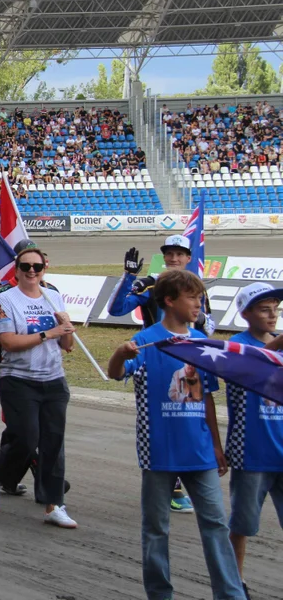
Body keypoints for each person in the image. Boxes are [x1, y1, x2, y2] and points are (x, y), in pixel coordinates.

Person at [107, 270, 244, 600]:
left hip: (200, 453)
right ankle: (160, 593)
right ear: (169, 301)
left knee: (216, 526)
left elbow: (208, 396)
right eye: (192, 297)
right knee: (156, 530)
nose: (199, 304)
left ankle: (230, 594)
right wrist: (118, 355)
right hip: (158, 452)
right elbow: (114, 374)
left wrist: (216, 445)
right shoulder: (145, 341)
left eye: (200, 297)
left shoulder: (201, 343)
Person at [110, 234, 213, 513]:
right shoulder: (152, 285)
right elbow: (116, 309)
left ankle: (185, 476)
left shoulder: (196, 288)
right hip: (154, 357)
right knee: (164, 415)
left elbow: (209, 327)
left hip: (189, 359)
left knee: (190, 417)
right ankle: (172, 485)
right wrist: (130, 276)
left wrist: (200, 319)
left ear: (189, 258)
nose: (174, 258)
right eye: (170, 253)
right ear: (164, 256)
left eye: (180, 254)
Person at [0, 245, 77, 528]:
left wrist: (66, 328)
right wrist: (48, 332)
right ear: (17, 271)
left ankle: (54, 504)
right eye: (26, 267)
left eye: (37, 267)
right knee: (25, 437)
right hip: (18, 379)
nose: (32, 272)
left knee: (53, 443)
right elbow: (8, 342)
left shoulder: (54, 295)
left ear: (44, 268)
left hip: (53, 379)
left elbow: (67, 346)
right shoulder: (5, 299)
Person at [224, 282, 283, 597]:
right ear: (245, 313)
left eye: (276, 308)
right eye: (264, 308)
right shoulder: (236, 344)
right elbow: (248, 366)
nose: (273, 314)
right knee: (243, 525)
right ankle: (236, 583)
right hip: (251, 451)